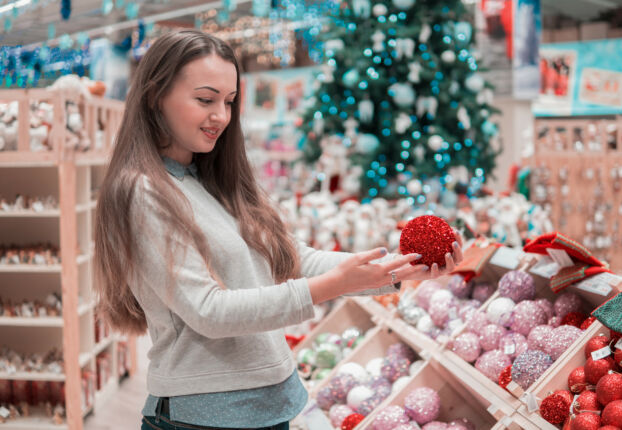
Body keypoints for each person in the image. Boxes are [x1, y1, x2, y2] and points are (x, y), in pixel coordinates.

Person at [93, 29, 464, 430]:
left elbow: (293, 258)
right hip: (202, 417)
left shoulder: (216, 179)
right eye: (205, 99)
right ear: (155, 96)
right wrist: (328, 288)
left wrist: (399, 268)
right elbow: (210, 311)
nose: (221, 115)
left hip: (272, 404)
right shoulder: (143, 191)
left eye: (229, 101)